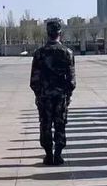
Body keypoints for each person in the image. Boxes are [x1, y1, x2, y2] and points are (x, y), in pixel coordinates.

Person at [30, 18, 76, 165]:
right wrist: (67, 95)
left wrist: (39, 94)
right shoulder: (67, 53)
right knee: (60, 124)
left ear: (48, 33)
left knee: (45, 124)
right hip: (61, 96)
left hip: (45, 96)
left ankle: (48, 154)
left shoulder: (39, 53)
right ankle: (58, 155)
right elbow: (72, 81)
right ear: (59, 33)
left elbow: (34, 80)